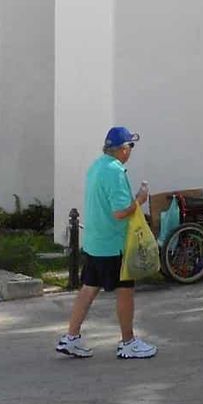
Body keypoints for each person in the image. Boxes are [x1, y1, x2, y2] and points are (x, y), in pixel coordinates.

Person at [55, 126, 157, 359]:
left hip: (95, 242)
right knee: (125, 291)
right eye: (130, 146)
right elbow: (120, 211)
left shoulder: (97, 166)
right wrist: (140, 199)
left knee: (89, 289)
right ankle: (128, 342)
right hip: (114, 244)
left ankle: (71, 337)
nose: (131, 150)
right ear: (122, 149)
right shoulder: (115, 171)